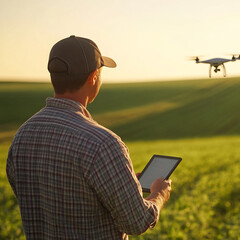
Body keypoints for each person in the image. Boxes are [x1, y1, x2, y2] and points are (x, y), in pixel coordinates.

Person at [6, 35, 172, 240]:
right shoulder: (103, 144)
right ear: (93, 76)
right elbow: (137, 222)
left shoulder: (22, 136)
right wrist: (159, 194)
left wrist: (123, 184)